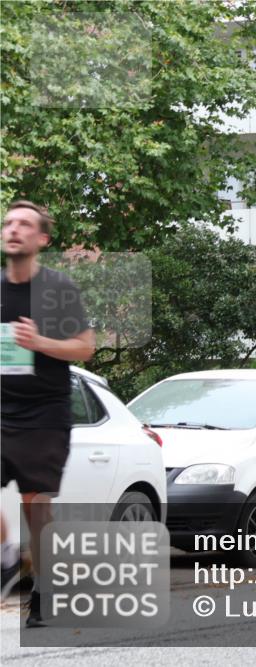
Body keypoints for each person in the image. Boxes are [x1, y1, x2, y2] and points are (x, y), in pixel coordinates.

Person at [1, 200, 95, 626]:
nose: (13, 229)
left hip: (44, 412)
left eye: (24, 224)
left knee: (35, 507)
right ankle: (7, 555)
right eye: (8, 223)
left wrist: (40, 343)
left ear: (42, 239)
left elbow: (85, 348)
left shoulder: (57, 289)